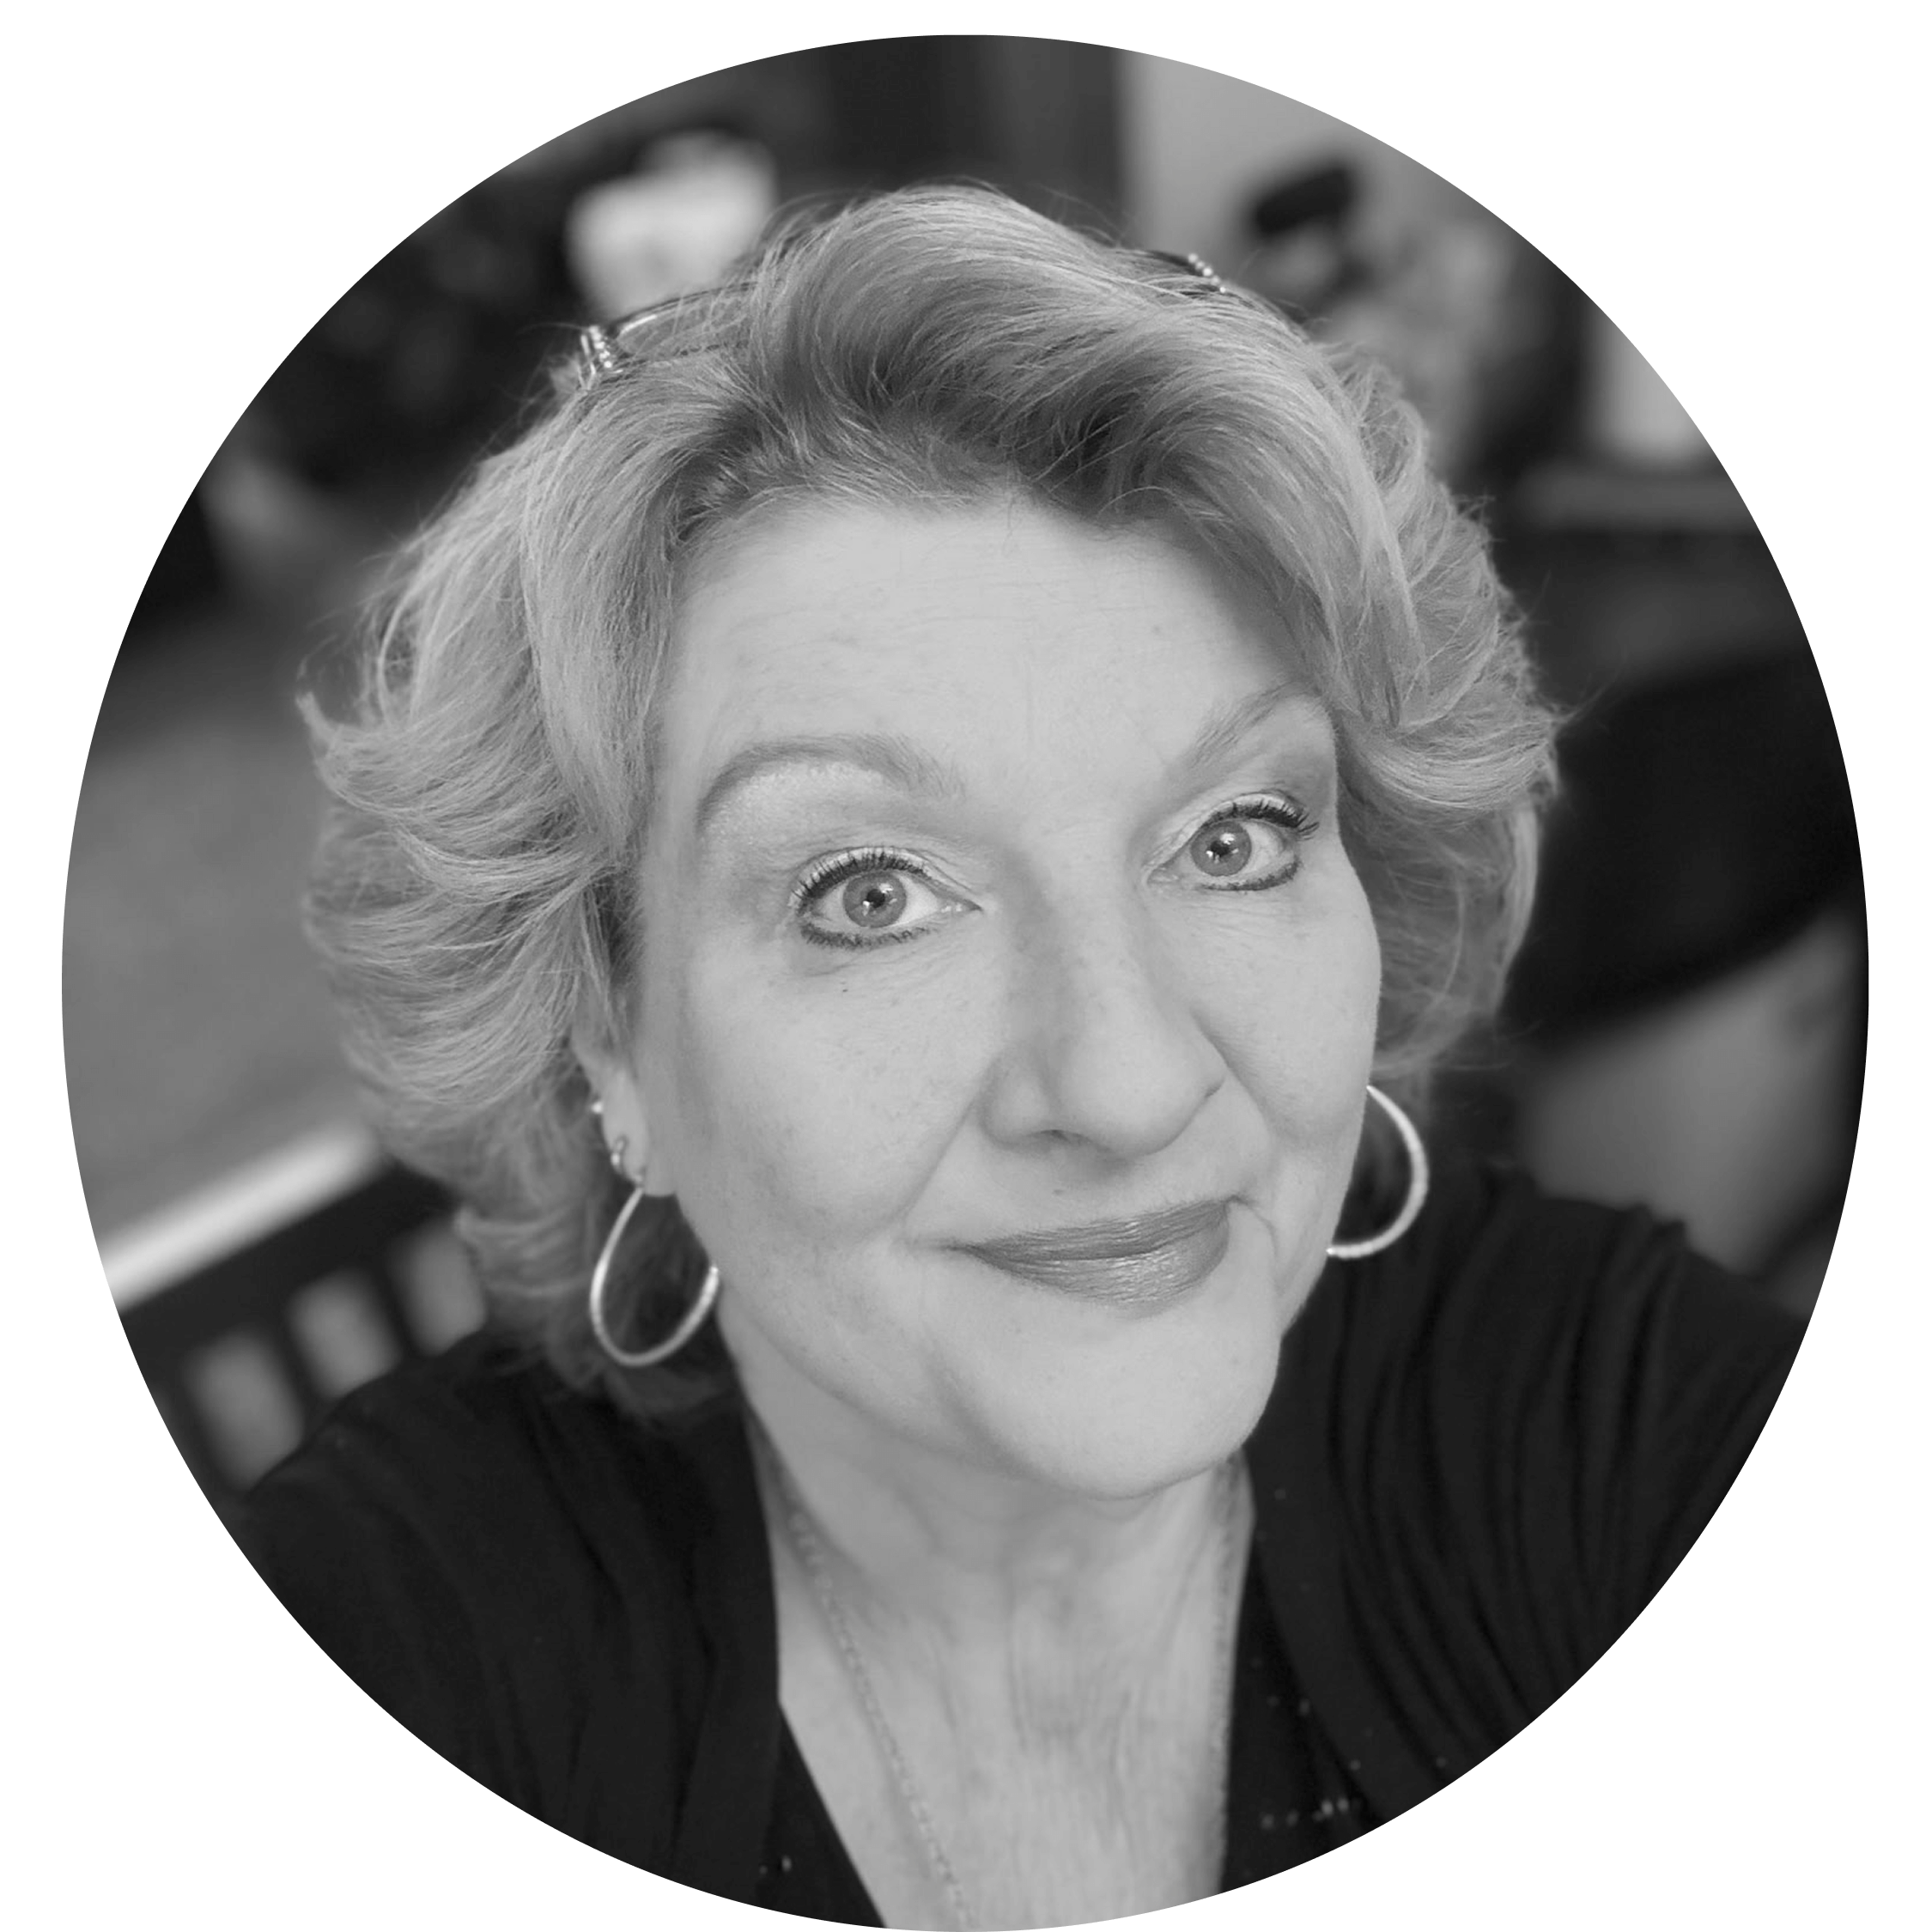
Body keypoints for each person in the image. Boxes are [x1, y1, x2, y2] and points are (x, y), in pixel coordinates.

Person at [237, 184, 1802, 1926]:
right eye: (871, 892)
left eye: (1236, 836)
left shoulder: (1613, 1425)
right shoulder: (409, 1635)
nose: (1130, 1085)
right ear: (608, 1038)